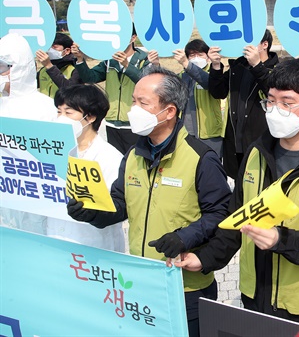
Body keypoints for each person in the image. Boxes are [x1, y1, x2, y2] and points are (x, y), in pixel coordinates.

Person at [175, 59, 299, 332]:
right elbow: (237, 218)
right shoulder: (256, 154)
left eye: (287, 103)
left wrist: (282, 240)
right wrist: (206, 259)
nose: (276, 110)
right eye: (271, 101)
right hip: (257, 297)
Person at [66, 67, 231, 337]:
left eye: (143, 103)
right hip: (142, 279)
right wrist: (92, 211)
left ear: (170, 111)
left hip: (185, 285)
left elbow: (220, 213)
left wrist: (185, 237)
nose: (134, 110)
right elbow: (120, 202)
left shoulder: (200, 157)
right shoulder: (133, 154)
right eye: (133, 101)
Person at [46, 84, 126, 251]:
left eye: (68, 113)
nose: (61, 118)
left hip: (93, 246)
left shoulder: (109, 157)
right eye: (58, 112)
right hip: (56, 240)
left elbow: (117, 207)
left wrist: (92, 214)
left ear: (90, 117)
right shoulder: (52, 152)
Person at [0, 33, 56, 234]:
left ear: (20, 69)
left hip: (36, 195)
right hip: (6, 194)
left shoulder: (45, 107)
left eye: (3, 68)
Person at [74, 26, 158, 154]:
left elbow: (145, 82)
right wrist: (80, 59)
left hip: (135, 122)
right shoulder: (109, 61)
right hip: (112, 122)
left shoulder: (145, 60)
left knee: (136, 161)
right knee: (118, 162)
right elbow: (90, 77)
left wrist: (126, 65)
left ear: (133, 38)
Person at [208, 29, 279, 178]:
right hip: (234, 141)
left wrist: (257, 66)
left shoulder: (277, 70)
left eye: (251, 40)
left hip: (261, 142)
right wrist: (215, 66)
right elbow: (218, 92)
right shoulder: (238, 67)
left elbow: (275, 94)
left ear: (264, 44)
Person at [173, 39, 223, 156]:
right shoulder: (181, 76)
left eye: (200, 54)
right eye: (192, 55)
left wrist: (187, 64)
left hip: (210, 134)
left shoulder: (213, 75)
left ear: (208, 57)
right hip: (186, 133)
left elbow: (207, 83)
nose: (196, 58)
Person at [36, 33, 81, 98]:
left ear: (67, 51)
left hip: (63, 107)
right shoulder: (43, 70)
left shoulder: (75, 69)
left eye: (54, 47)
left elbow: (69, 91)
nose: (50, 50)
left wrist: (49, 66)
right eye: (49, 47)